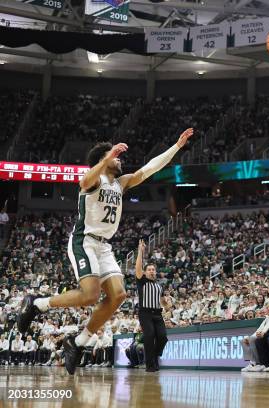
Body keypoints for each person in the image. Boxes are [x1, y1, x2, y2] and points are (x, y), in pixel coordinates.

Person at [18, 128, 194, 375]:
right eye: (115, 157)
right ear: (104, 160)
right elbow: (84, 181)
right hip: (84, 241)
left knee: (118, 295)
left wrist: (176, 146)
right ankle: (37, 304)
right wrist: (106, 157)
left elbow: (149, 169)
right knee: (90, 294)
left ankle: (78, 342)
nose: (120, 159)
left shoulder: (120, 183)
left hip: (104, 245)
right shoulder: (93, 180)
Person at [135, 240, 170, 372]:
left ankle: (155, 355)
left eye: (153, 269)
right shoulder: (141, 281)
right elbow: (138, 268)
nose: (151, 271)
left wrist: (167, 305)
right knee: (149, 335)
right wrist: (140, 251)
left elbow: (163, 303)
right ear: (145, 272)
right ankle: (150, 365)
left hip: (157, 314)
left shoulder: (159, 285)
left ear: (156, 272)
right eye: (149, 269)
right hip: (145, 313)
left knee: (163, 337)